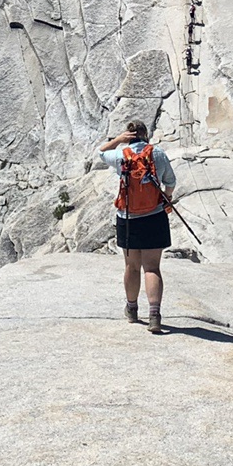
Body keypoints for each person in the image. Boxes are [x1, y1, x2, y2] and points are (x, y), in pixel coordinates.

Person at [96, 120, 177, 334]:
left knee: (131, 266)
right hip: (154, 216)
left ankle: (132, 309)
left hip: (128, 216)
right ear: (146, 135)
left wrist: (118, 140)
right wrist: (166, 198)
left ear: (129, 135)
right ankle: (154, 315)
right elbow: (170, 181)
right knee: (152, 267)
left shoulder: (121, 155)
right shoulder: (157, 154)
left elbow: (100, 152)